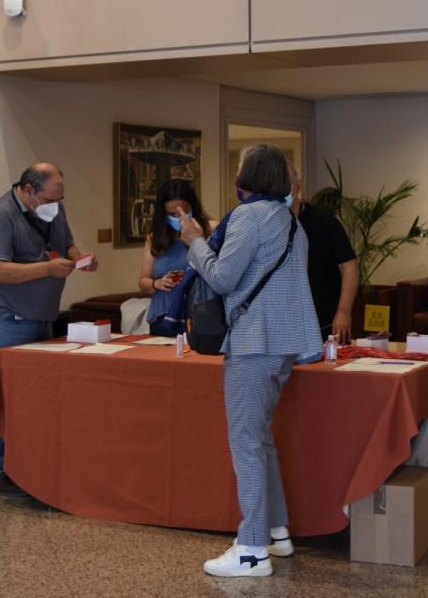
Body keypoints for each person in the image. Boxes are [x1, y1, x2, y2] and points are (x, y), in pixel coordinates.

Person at [180, 144, 321, 578]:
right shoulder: (290, 222)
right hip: (284, 343)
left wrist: (195, 242)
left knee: (246, 442)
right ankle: (275, 532)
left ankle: (252, 549)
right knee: (259, 439)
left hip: (253, 343)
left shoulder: (248, 216)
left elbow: (222, 278)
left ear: (250, 174)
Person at [0, 163, 97, 497]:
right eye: (49, 199)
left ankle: (29, 465)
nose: (55, 206)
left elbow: (66, 243)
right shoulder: (0, 216)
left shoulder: (51, 209)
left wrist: (80, 258)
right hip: (6, 318)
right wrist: (47, 268)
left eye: (60, 199)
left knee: (34, 395)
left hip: (42, 316)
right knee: (2, 394)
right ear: (28, 190)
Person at [289, 166, 358, 343]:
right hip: (285, 322)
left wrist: (343, 311)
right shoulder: (268, 223)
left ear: (297, 187)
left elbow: (349, 266)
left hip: (324, 319)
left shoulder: (323, 221)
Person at [138, 180, 214, 333]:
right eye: (172, 214)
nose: (179, 217)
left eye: (184, 211)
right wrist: (157, 284)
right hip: (163, 314)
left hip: (199, 313)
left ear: (192, 207)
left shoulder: (210, 229)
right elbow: (143, 282)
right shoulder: (155, 238)